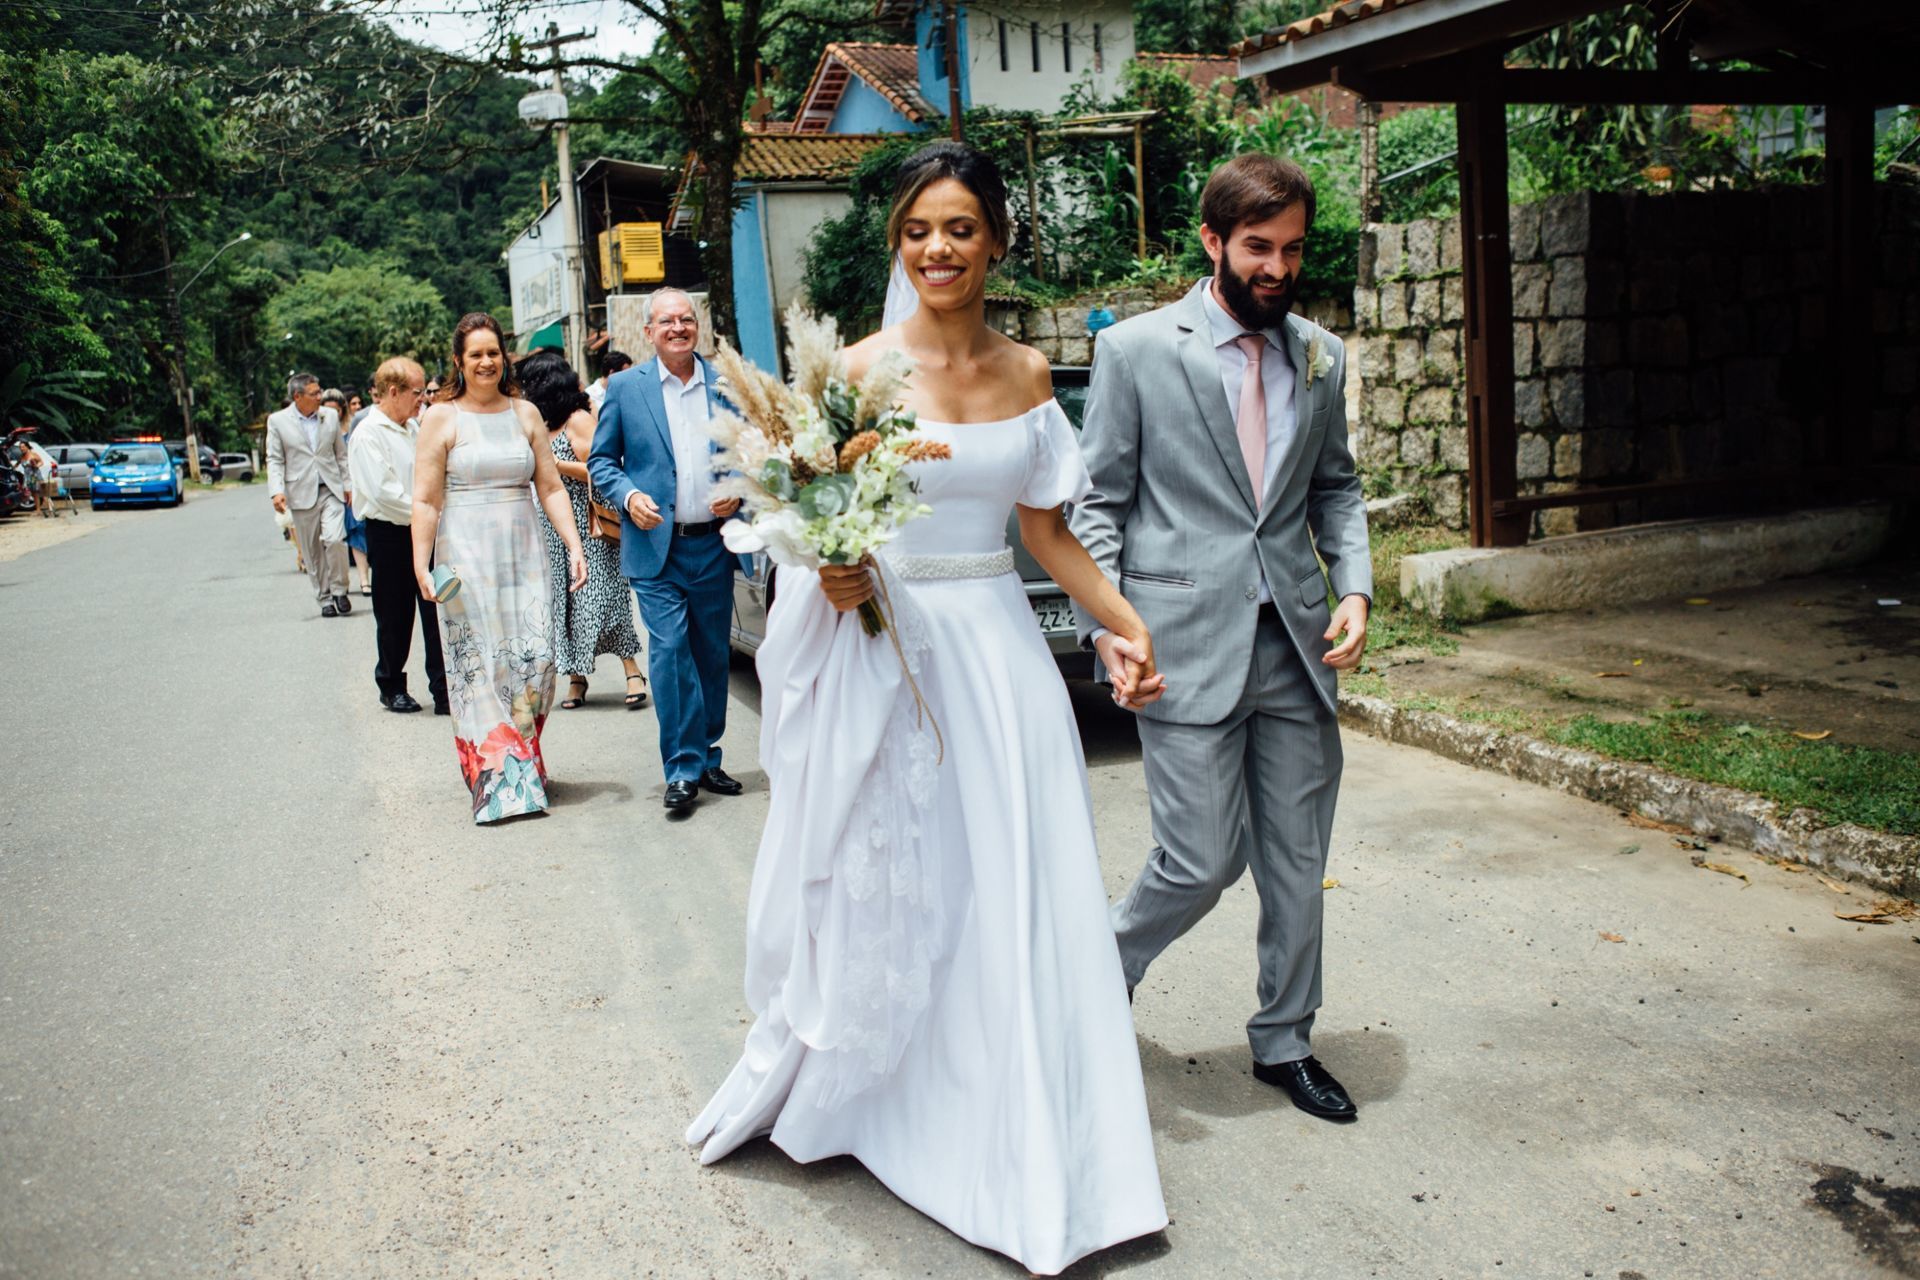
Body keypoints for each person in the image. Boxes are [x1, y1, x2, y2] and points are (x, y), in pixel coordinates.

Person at [685, 141, 1169, 1276]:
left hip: (999, 655)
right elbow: (804, 520)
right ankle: (891, 1098)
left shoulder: (1035, 374)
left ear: (995, 236)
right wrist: (830, 569)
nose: (937, 248)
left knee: (1013, 889)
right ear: (899, 244)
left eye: (958, 227)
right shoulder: (856, 371)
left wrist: (1125, 619)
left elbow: (1045, 528)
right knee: (908, 885)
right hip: (892, 654)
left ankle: (1029, 1135)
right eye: (917, 230)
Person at [1071, 153, 1373, 1123]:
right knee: (1201, 857)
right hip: (1179, 641)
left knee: (1295, 858)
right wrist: (1113, 625)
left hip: (1294, 642)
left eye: (1291, 249)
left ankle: (1285, 1036)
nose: (1278, 267)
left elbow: (1335, 485)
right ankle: (1101, 965)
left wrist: (1355, 587)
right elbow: (1098, 504)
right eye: (1258, 248)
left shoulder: (1318, 353)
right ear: (1213, 242)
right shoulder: (1139, 352)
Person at [411, 313, 586, 824]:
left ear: (503, 357)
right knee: (481, 665)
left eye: (493, 353)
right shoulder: (441, 419)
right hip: (466, 555)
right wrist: (421, 564)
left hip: (524, 550)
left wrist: (573, 544)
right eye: (475, 355)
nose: (486, 362)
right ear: (459, 363)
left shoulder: (525, 413)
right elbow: (424, 500)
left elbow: (550, 487)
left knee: (535, 660)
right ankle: (498, 775)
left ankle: (523, 755)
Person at [588, 291, 743, 813]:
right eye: (667, 322)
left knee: (711, 655)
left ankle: (708, 757)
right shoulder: (627, 389)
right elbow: (602, 462)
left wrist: (740, 488)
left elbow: (754, 450)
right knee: (671, 651)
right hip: (657, 547)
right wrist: (629, 497)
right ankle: (681, 767)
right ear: (648, 332)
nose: (678, 328)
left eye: (686, 320)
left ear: (697, 327)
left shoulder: (727, 384)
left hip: (713, 546)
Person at [517, 349, 649, 711]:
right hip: (552, 525)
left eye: (530, 382)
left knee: (603, 599)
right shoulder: (539, 423)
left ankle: (632, 670)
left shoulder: (578, 418)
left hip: (587, 523)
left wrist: (554, 463)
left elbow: (601, 469)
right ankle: (577, 677)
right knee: (566, 602)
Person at [348, 356, 449, 715]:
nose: (422, 399)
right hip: (390, 533)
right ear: (394, 391)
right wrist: (426, 512)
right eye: (417, 392)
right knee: (395, 614)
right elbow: (383, 493)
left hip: (425, 529)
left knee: (436, 609)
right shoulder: (368, 434)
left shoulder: (413, 428)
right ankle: (391, 685)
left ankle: (443, 688)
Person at [266, 373, 354, 617]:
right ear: (298, 396)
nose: (320, 396)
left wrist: (348, 484)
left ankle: (339, 589)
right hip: (300, 492)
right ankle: (324, 598)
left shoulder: (331, 416)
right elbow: (274, 459)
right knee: (312, 550)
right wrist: (276, 491)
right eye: (314, 393)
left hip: (331, 489)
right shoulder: (277, 421)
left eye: (320, 392)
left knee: (336, 539)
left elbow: (341, 454)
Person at [328, 388, 373, 596]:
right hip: (337, 490)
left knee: (365, 531)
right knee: (351, 534)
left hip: (358, 486)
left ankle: (370, 577)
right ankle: (358, 580)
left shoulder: (354, 426)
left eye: (336, 409)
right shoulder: (323, 430)